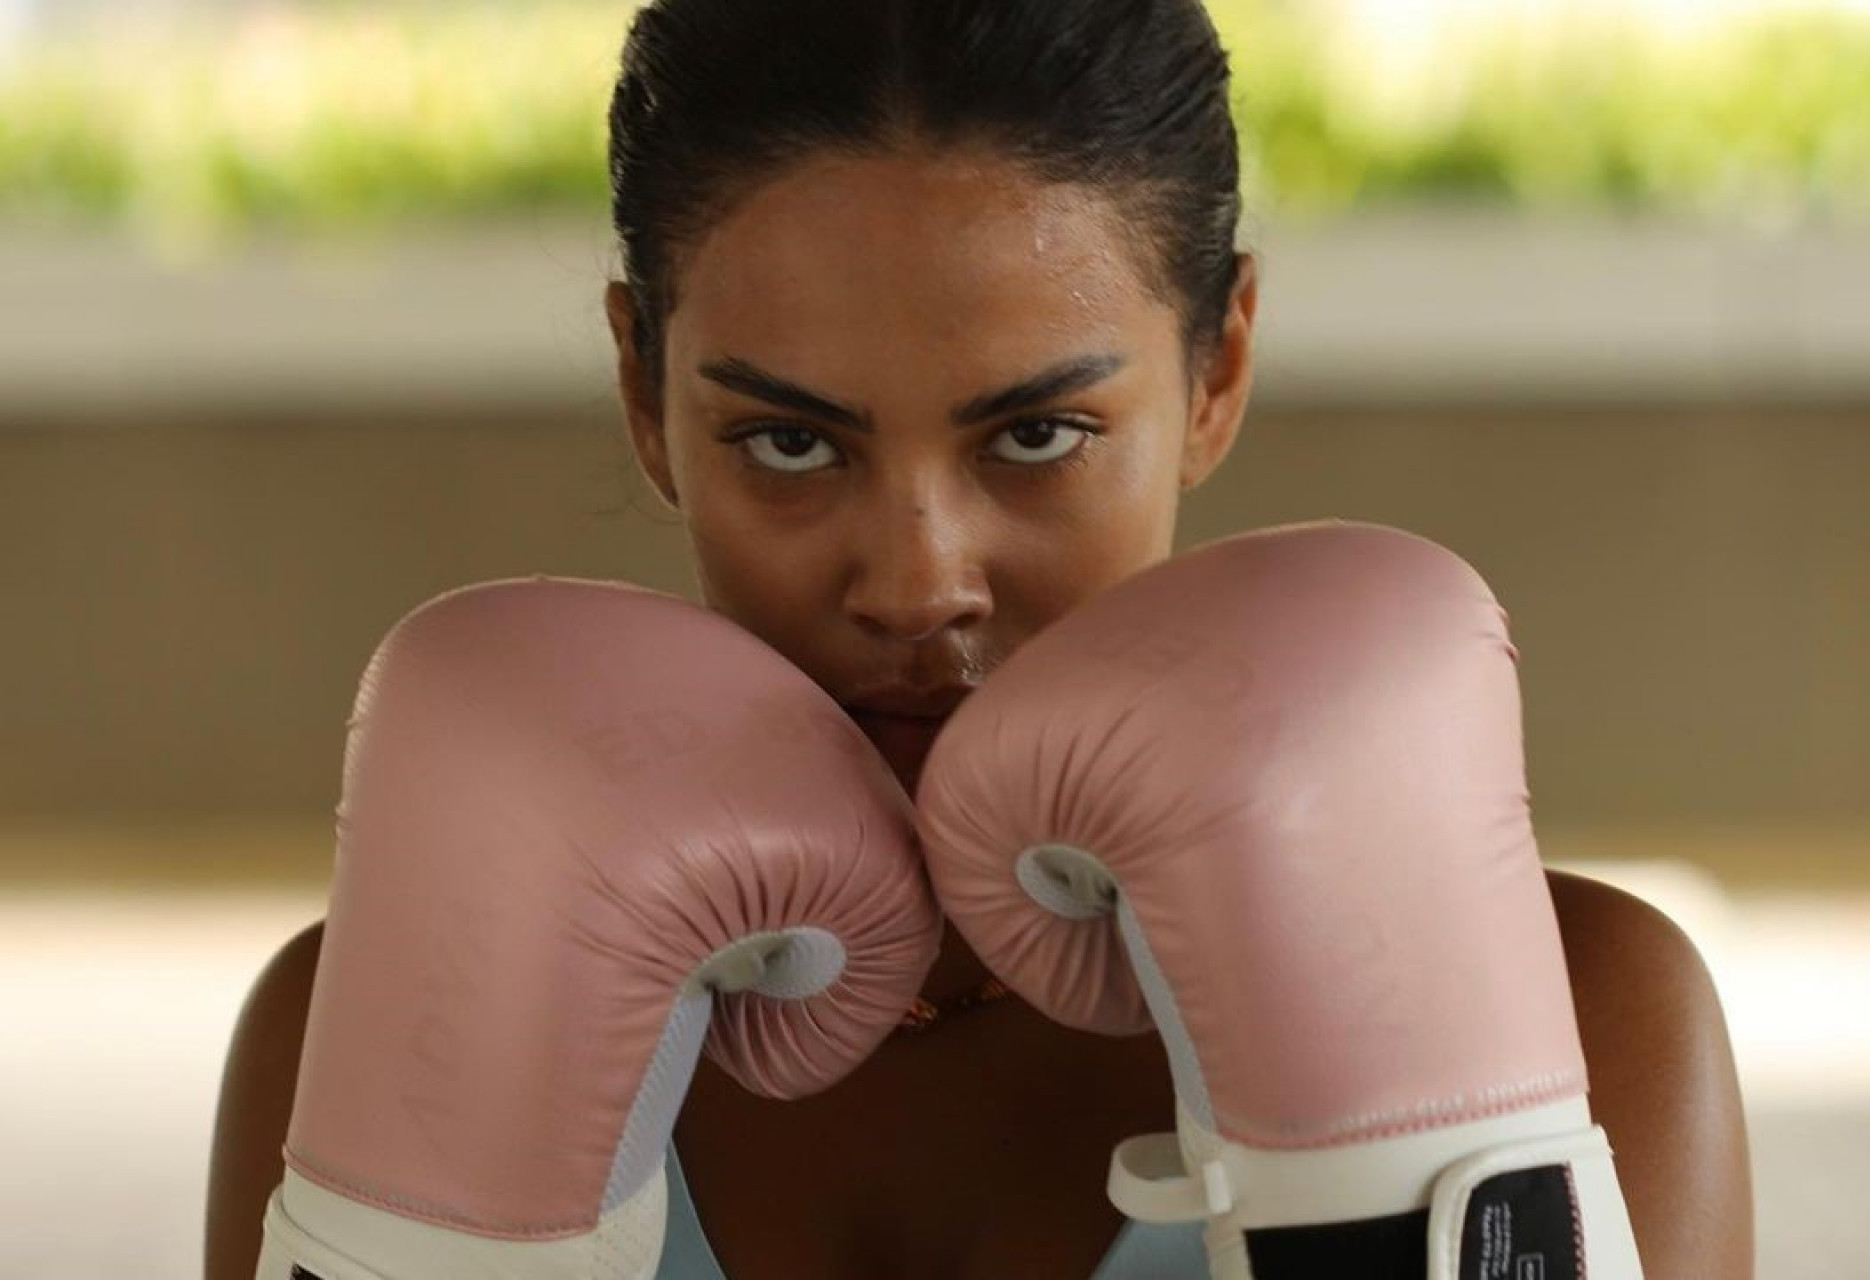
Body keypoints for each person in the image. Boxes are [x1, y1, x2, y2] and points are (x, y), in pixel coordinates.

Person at [204, 1, 1755, 1276]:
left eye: (1036, 436)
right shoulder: (364, 1030)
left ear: (1217, 370)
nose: (916, 582)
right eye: (790, 444)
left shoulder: (1587, 1016)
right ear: (642, 393)